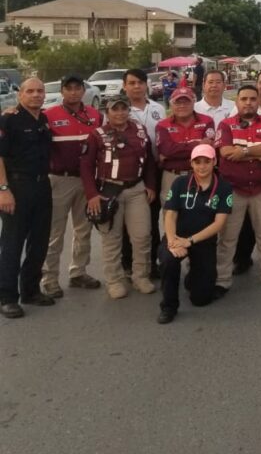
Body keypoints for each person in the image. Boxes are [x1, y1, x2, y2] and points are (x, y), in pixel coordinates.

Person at [81, 93, 159, 299]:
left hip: (136, 189)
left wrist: (150, 185)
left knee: (142, 236)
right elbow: (86, 167)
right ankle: (114, 280)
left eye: (124, 108)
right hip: (108, 191)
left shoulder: (140, 131)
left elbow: (149, 160)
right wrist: (92, 195)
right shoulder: (97, 135)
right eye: (115, 109)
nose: (120, 112)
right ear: (107, 112)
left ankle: (140, 276)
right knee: (111, 238)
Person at [214, 85, 261, 296]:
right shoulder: (226, 125)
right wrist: (258, 154)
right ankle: (222, 280)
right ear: (236, 102)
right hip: (233, 189)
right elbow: (226, 152)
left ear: (257, 102)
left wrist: (244, 151)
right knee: (228, 237)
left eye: (252, 99)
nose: (248, 102)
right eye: (244, 99)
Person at [41, 74, 103, 298]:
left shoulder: (95, 115)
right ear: (62, 91)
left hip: (86, 180)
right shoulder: (48, 116)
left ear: (83, 91)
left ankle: (78, 272)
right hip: (59, 179)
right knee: (55, 233)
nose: (74, 92)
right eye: (69, 88)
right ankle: (49, 278)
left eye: (78, 88)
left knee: (83, 229)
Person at [157, 143, 232, 324]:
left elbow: (219, 223)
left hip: (202, 240)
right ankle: (169, 306)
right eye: (197, 162)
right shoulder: (180, 183)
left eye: (206, 161)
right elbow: (170, 214)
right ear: (191, 164)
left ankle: (193, 279)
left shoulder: (223, 187)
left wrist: (190, 241)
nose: (202, 166)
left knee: (201, 300)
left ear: (214, 161)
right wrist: (172, 241)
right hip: (176, 236)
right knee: (168, 261)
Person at [0, 78, 55, 318]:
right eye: (30, 91)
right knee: (13, 244)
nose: (36, 94)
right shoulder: (8, 120)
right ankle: (7, 296)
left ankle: (30, 290)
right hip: (17, 187)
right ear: (20, 94)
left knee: (39, 242)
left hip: (42, 186)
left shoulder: (42, 119)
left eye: (39, 91)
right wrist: (3, 189)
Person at [122, 68, 164, 278]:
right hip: (128, 173)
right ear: (125, 87)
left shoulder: (158, 108)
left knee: (152, 220)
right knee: (126, 222)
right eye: (131, 83)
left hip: (154, 169)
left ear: (146, 85)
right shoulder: (119, 110)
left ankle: (151, 263)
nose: (136, 86)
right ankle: (128, 264)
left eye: (140, 82)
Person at [155, 87, 215, 201]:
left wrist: (174, 153)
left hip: (201, 175)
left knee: (202, 211)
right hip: (172, 176)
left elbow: (206, 150)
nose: (182, 105)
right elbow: (167, 150)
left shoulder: (207, 121)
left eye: (186, 101)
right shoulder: (162, 125)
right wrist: (198, 144)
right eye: (178, 102)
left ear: (194, 102)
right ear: (171, 104)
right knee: (170, 213)